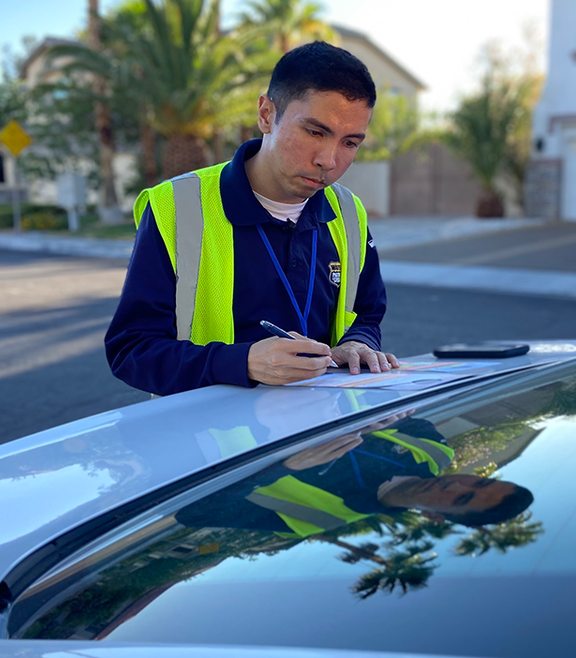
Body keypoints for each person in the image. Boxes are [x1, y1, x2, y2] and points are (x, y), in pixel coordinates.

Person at [105, 42, 400, 397]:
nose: (329, 159)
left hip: (324, 435)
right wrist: (242, 362)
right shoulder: (177, 206)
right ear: (265, 115)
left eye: (350, 143)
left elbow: (367, 313)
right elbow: (131, 350)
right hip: (213, 444)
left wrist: (357, 342)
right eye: (315, 132)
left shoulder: (348, 211)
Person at [174, 415, 534, 536]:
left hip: (192, 439)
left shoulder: (319, 518)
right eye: (480, 481)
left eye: (463, 498)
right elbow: (387, 396)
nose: (457, 483)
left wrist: (279, 470)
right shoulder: (435, 448)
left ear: (435, 517)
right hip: (260, 383)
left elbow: (193, 515)